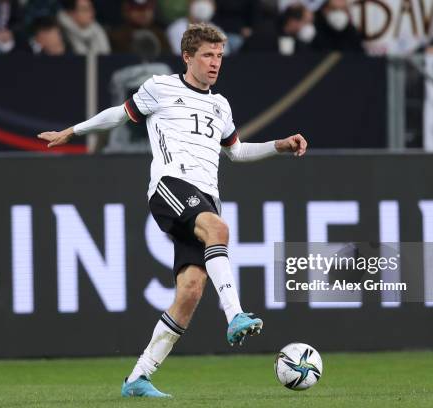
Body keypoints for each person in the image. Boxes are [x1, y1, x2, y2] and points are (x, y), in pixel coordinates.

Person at [38, 23, 307, 398]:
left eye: (218, 56)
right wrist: (73, 131)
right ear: (187, 57)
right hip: (171, 187)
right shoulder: (160, 88)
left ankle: (138, 377)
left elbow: (237, 151)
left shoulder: (220, 105)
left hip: (205, 197)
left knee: (191, 290)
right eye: (207, 56)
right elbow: (119, 114)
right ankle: (235, 315)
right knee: (219, 230)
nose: (215, 63)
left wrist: (279, 144)